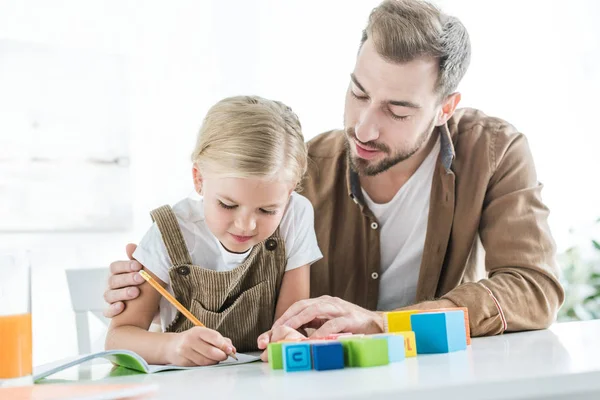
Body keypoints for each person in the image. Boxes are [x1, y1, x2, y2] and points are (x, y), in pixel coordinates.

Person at [104, 0, 564, 353]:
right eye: (358, 92)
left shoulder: (494, 152)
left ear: (446, 108)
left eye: (397, 110)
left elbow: (534, 289)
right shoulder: (300, 170)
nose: (363, 127)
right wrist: (153, 282)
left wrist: (386, 323)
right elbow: (232, 266)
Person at [104, 95, 322, 366]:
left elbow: (291, 324)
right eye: (227, 205)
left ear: (289, 193)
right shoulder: (170, 232)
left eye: (267, 211)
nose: (246, 225)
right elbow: (117, 341)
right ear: (199, 180)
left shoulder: (295, 214)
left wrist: (288, 337)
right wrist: (171, 348)